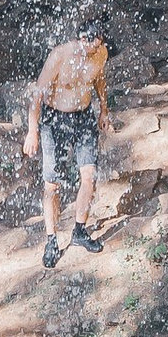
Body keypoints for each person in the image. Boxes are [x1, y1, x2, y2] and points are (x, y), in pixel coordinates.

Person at [23, 30, 110, 265]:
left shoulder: (100, 54)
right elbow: (38, 94)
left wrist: (103, 109)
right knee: (51, 184)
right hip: (55, 119)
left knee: (89, 176)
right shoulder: (60, 55)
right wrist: (33, 131)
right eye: (83, 38)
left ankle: (79, 231)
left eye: (92, 41)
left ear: (100, 42)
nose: (86, 45)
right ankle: (51, 239)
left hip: (83, 117)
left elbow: (99, 79)